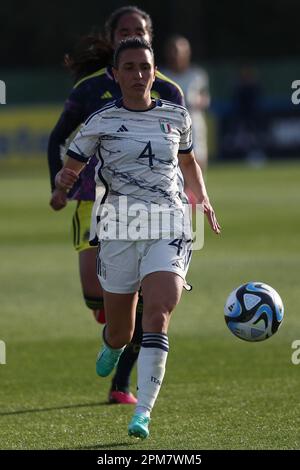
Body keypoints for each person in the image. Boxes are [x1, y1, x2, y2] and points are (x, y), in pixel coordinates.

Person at [55, 38, 221, 439]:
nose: (138, 74)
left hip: (170, 225)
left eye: (145, 67)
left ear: (153, 71)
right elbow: (72, 162)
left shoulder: (176, 116)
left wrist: (202, 197)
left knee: (158, 315)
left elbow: (188, 162)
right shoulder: (101, 121)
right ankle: (112, 344)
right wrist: (64, 180)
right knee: (121, 331)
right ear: (115, 74)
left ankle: (143, 412)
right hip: (120, 230)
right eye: (129, 67)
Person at [47, 6, 185, 405]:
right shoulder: (90, 89)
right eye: (123, 30)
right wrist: (59, 185)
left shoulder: (169, 91)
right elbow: (58, 135)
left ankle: (121, 384)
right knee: (97, 294)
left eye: (138, 30)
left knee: (150, 302)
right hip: (93, 200)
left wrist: (189, 194)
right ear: (112, 38)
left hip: (154, 212)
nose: (130, 34)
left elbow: (182, 152)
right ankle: (114, 322)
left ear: (150, 35)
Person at [162, 35, 210, 172]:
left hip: (193, 123)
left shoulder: (197, 75)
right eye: (172, 51)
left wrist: (195, 101)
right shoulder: (162, 75)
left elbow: (205, 98)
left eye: (178, 51)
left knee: (198, 161)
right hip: (168, 126)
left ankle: (196, 193)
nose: (175, 55)